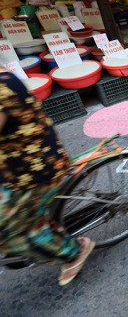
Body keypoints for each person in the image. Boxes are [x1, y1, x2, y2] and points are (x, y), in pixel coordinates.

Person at [0, 68, 94, 286]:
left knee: (8, 233)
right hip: (14, 168)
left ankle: (73, 252)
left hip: (33, 170)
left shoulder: (2, 87)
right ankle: (46, 229)